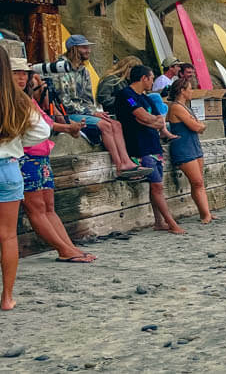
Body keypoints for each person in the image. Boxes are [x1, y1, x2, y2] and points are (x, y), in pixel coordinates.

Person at [12, 57, 96, 265]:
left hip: (40, 155)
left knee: (48, 206)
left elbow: (47, 122)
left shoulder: (26, 99)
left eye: (25, 73)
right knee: (37, 207)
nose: (22, 77)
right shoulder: (12, 100)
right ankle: (64, 248)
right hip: (25, 156)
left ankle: (68, 246)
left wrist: (69, 128)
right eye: (16, 73)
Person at [54, 35, 147, 179]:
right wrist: (92, 112)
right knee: (106, 125)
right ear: (74, 49)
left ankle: (126, 161)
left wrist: (93, 111)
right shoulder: (60, 68)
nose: (88, 50)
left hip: (86, 111)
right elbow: (65, 102)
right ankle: (119, 166)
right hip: (69, 113)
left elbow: (88, 98)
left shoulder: (84, 70)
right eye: (84, 47)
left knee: (116, 124)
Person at [0, 49, 51, 310]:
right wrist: (18, 142)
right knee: (8, 236)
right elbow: (43, 130)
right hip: (8, 167)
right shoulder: (16, 99)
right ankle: (7, 297)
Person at [116, 66, 184, 234]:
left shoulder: (145, 98)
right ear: (144, 78)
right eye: (152, 77)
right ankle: (171, 223)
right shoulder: (127, 95)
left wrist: (149, 121)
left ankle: (159, 221)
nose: (153, 81)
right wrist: (148, 121)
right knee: (157, 186)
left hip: (153, 144)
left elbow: (159, 121)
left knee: (156, 185)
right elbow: (143, 116)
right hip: (139, 146)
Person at [165, 78, 214, 223]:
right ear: (182, 91)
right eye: (190, 89)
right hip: (184, 147)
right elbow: (197, 127)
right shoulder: (176, 107)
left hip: (193, 145)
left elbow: (197, 125)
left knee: (199, 183)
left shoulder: (186, 107)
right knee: (197, 182)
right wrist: (200, 125)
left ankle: (205, 212)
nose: (192, 91)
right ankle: (205, 214)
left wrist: (199, 125)